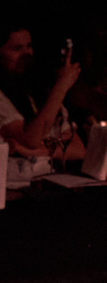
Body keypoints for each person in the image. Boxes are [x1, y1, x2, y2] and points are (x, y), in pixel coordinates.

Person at [1, 28, 86, 184]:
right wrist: (61, 87)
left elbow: (78, 149)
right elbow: (31, 138)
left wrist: (28, 151)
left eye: (29, 46)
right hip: (17, 191)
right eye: (17, 49)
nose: (26, 54)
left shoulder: (39, 92)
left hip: (53, 183)